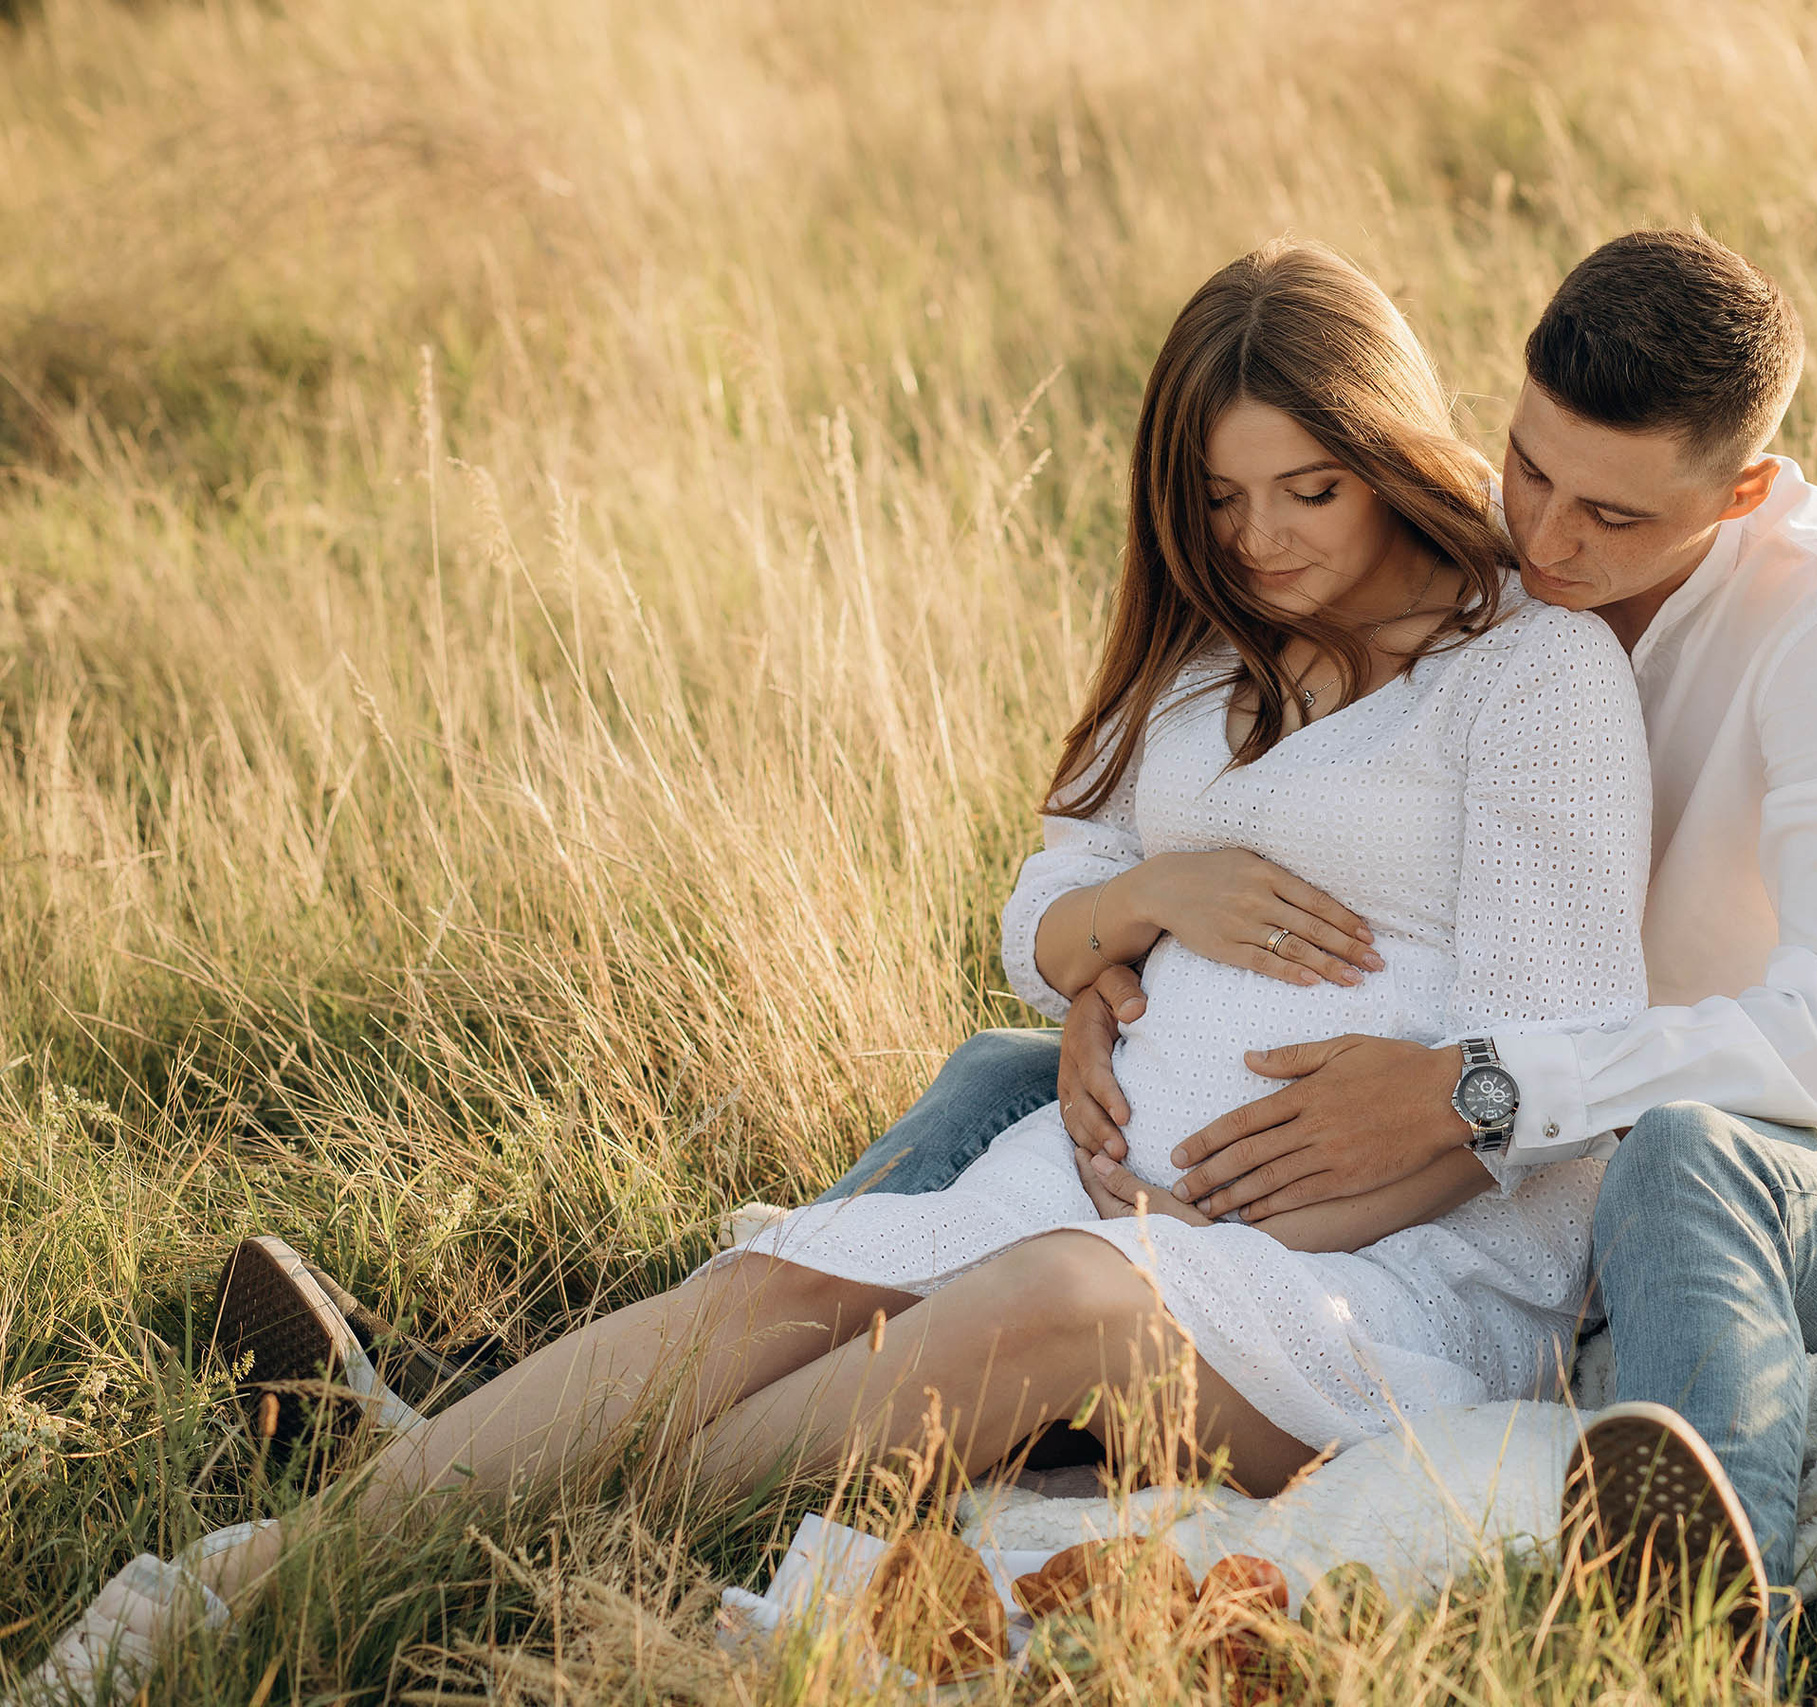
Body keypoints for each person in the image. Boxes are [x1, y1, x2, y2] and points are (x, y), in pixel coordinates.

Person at [19, 240, 1656, 1702]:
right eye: (1220, 501)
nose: (1264, 539)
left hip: (1380, 1266)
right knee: (782, 1292)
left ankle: (492, 1583)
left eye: (1310, 488)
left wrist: (1248, 1207)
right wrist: (1139, 915)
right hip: (1094, 1186)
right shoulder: (1207, 656)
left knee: (1058, 1297)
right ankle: (259, 1569)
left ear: (1385, 450)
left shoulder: (1525, 673)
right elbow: (1044, 915)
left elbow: (1549, 1049)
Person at [816, 229, 1817, 1662]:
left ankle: (1697, 1637)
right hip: (1549, 1128)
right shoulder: (1490, 580)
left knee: (1682, 1165)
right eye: (1529, 469)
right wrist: (1109, 979)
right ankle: (793, 1331)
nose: (1550, 539)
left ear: (1743, 492)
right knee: (995, 1075)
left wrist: (1475, 1087)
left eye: (1615, 518)